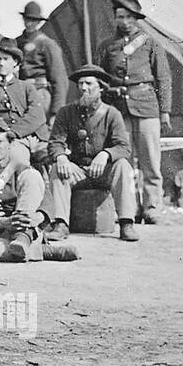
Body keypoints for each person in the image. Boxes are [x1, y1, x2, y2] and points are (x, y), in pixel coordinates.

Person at [44, 64, 138, 243]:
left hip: (104, 172)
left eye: (88, 83)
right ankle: (61, 224)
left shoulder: (112, 114)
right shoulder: (66, 112)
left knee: (123, 166)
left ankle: (126, 223)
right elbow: (55, 142)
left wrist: (105, 154)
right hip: (78, 171)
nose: (83, 88)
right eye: (80, 84)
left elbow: (124, 147)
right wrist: (61, 156)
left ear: (101, 87)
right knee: (57, 167)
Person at [99, 0, 171, 224]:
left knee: (150, 159)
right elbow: (100, 79)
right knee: (125, 160)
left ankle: (152, 207)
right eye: (120, 16)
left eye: (129, 17)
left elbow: (163, 78)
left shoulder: (150, 42)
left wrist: (165, 110)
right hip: (119, 107)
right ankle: (131, 208)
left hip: (147, 105)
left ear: (137, 18)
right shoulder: (107, 46)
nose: (125, 21)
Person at [0, 119, 76, 262]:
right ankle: (41, 251)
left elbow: (47, 199)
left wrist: (39, 217)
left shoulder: (23, 169)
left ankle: (22, 239)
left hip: (26, 228)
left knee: (32, 176)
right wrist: (3, 222)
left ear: (9, 144)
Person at [0, 39, 49, 165]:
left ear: (15, 63)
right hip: (2, 140)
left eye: (5, 59)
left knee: (52, 159)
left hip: (32, 136)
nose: (1, 63)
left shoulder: (26, 87)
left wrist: (14, 132)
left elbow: (37, 115)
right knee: (16, 158)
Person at [17, 0, 68, 123]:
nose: (29, 23)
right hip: (20, 92)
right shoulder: (17, 42)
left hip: (40, 92)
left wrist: (56, 111)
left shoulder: (47, 44)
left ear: (39, 22)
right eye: (27, 19)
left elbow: (59, 78)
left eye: (33, 20)